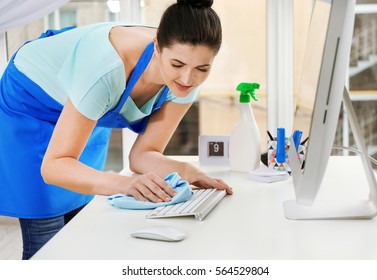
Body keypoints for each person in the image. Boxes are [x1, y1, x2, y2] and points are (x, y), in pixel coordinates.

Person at [0, 0, 233, 260]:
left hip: (82, 99)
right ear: (157, 48)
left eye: (202, 68)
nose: (188, 79)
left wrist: (189, 172)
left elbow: (143, 155)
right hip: (30, 104)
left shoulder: (186, 77)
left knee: (81, 227)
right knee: (48, 238)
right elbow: (54, 167)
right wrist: (125, 184)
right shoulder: (105, 70)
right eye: (177, 65)